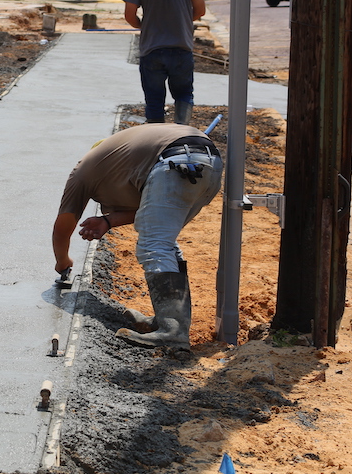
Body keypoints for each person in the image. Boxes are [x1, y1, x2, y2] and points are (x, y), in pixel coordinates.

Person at [51, 123, 223, 349]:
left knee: (154, 246)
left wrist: (63, 261)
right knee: (164, 243)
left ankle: (173, 332)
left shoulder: (84, 170)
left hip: (175, 164)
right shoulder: (128, 158)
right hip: (208, 164)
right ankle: (167, 320)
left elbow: (63, 225)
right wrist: (107, 221)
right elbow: (150, 208)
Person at [123, 0, 206, 126]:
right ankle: (180, 137)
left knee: (154, 101)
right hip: (181, 48)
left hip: (152, 50)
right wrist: (184, 20)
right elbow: (200, 10)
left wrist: (143, 25)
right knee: (184, 94)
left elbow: (129, 15)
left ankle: (157, 143)